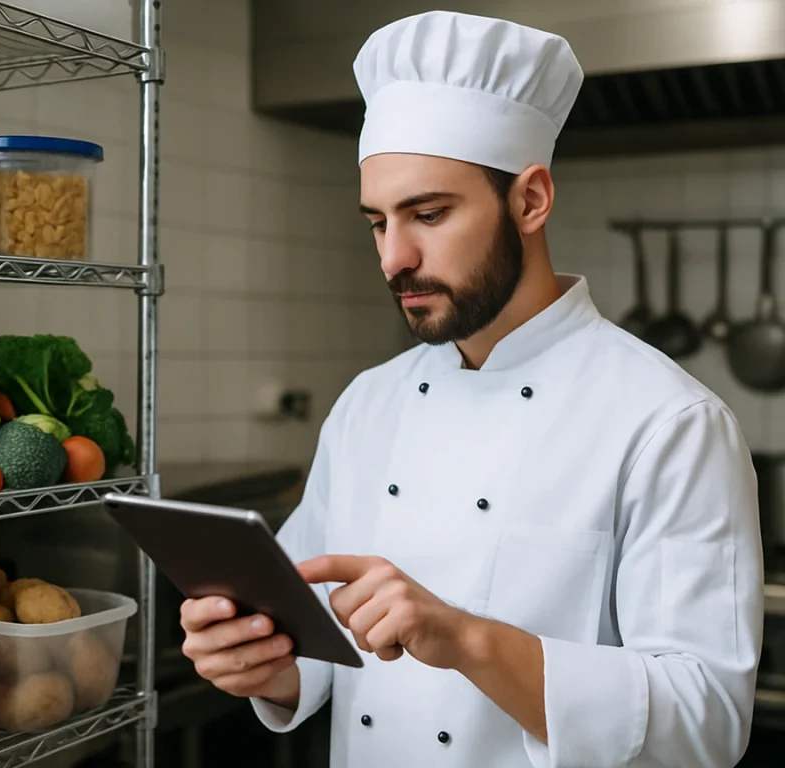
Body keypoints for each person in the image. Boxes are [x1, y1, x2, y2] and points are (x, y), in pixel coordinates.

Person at [179, 10, 764, 767]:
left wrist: (465, 638)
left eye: (428, 214)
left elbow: (707, 720)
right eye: (377, 223)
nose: (395, 258)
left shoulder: (668, 421)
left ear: (530, 201)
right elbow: (317, 643)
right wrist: (263, 664)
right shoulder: (369, 404)